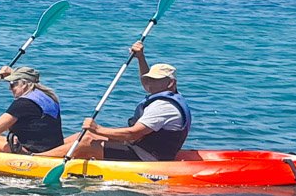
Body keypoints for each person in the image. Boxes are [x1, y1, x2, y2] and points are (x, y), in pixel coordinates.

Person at [40, 41, 191, 161]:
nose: (149, 84)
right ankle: (44, 153)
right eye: (149, 79)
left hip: (146, 157)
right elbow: (146, 82)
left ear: (170, 83)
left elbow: (133, 134)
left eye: (154, 80)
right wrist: (140, 58)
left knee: (87, 142)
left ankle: (36, 161)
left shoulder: (164, 106)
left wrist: (98, 129)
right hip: (139, 147)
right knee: (83, 135)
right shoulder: (168, 95)